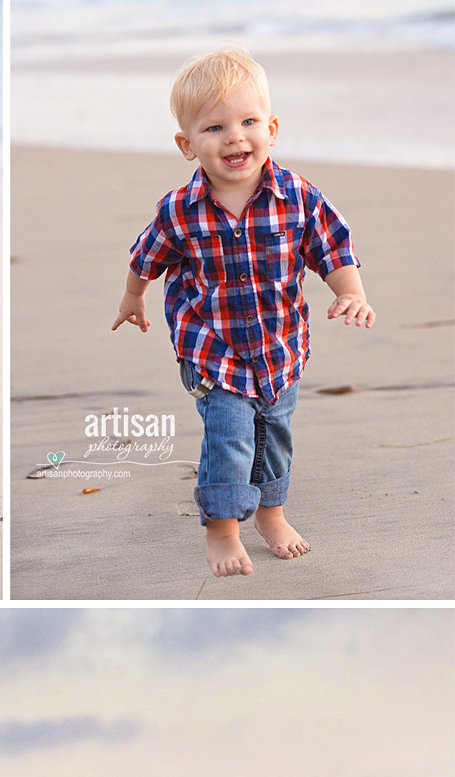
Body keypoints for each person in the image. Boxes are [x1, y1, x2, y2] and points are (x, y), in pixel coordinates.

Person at [113, 48, 373, 579]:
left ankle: (271, 513)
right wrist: (133, 298)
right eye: (215, 127)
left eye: (248, 121)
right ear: (188, 145)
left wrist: (352, 293)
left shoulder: (297, 198)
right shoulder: (179, 210)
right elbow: (147, 258)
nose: (235, 136)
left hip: (280, 349)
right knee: (229, 437)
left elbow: (333, 249)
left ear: (271, 129)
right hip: (213, 349)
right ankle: (223, 530)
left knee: (272, 434)